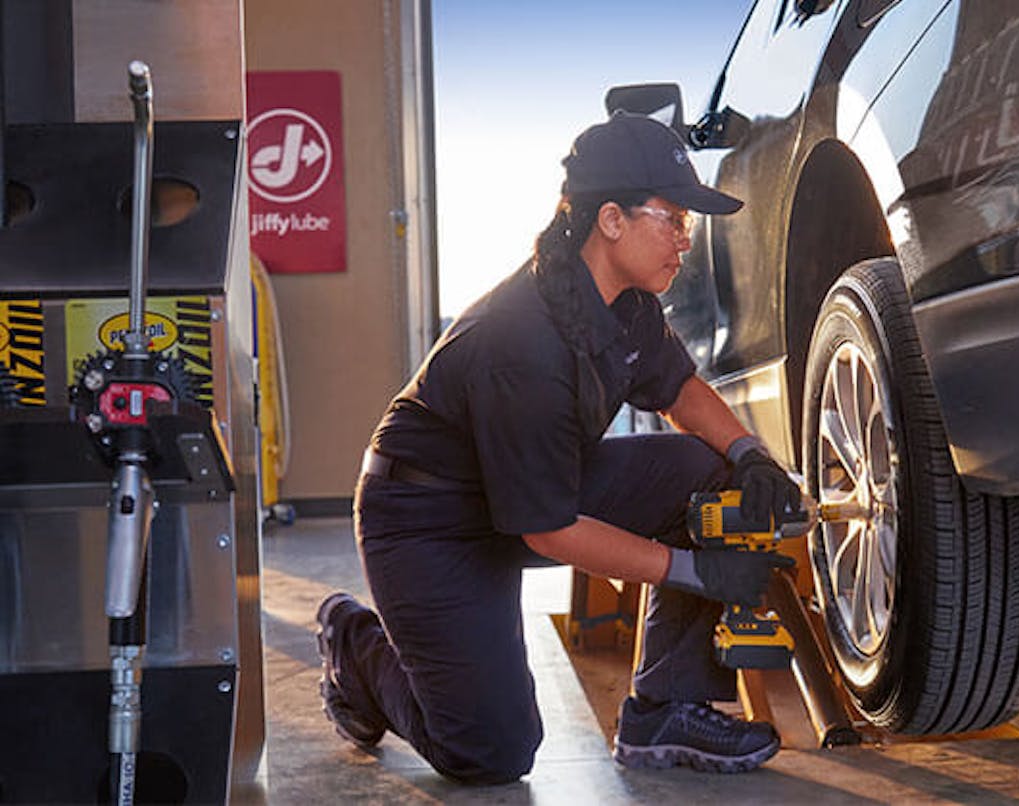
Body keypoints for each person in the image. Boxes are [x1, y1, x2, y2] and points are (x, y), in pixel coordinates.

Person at [315, 113, 804, 785]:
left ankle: (662, 711)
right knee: (492, 753)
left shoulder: (625, 301)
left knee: (707, 473)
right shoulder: (522, 344)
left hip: (528, 491)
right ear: (611, 219)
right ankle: (355, 646)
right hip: (427, 525)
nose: (685, 240)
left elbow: (678, 388)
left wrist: (751, 453)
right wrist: (697, 574)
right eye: (673, 219)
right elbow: (549, 531)